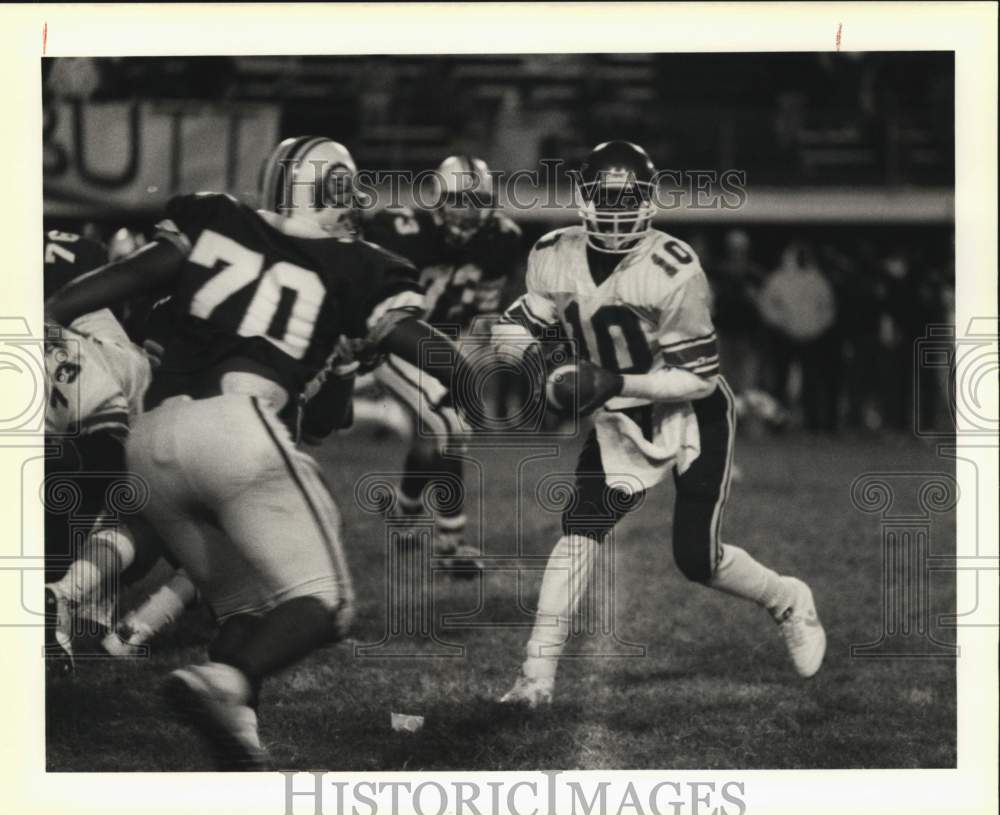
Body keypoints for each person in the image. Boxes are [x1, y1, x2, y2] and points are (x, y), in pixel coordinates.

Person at [45, 135, 479, 769]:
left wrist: (47, 309)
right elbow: (349, 401)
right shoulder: (357, 266)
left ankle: (238, 735)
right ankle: (226, 680)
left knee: (246, 608)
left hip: (151, 440)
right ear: (328, 191)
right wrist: (480, 378)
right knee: (324, 602)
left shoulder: (214, 217)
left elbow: (117, 281)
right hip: (239, 432)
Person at [492, 141, 826, 707]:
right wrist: (536, 363)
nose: (618, 209)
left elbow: (696, 379)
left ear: (649, 201)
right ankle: (535, 677)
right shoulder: (552, 252)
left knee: (697, 559)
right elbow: (516, 327)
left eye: (629, 197)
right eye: (607, 197)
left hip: (688, 408)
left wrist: (610, 383)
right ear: (583, 199)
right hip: (619, 413)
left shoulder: (673, 267)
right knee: (579, 531)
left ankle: (789, 599)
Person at [360, 155, 522, 570]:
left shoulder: (501, 238)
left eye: (476, 200)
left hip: (445, 345)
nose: (466, 210)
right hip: (396, 339)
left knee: (431, 436)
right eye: (458, 200)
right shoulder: (402, 231)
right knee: (450, 426)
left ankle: (404, 514)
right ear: (438, 200)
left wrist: (472, 356)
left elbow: (484, 311)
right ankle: (450, 544)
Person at [758, 241, 838, 432]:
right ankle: (777, 425)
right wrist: (782, 324)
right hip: (784, 338)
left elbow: (828, 308)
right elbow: (766, 305)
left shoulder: (817, 279)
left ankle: (812, 423)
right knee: (780, 382)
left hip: (812, 339)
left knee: (812, 382)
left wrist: (817, 328)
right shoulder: (778, 279)